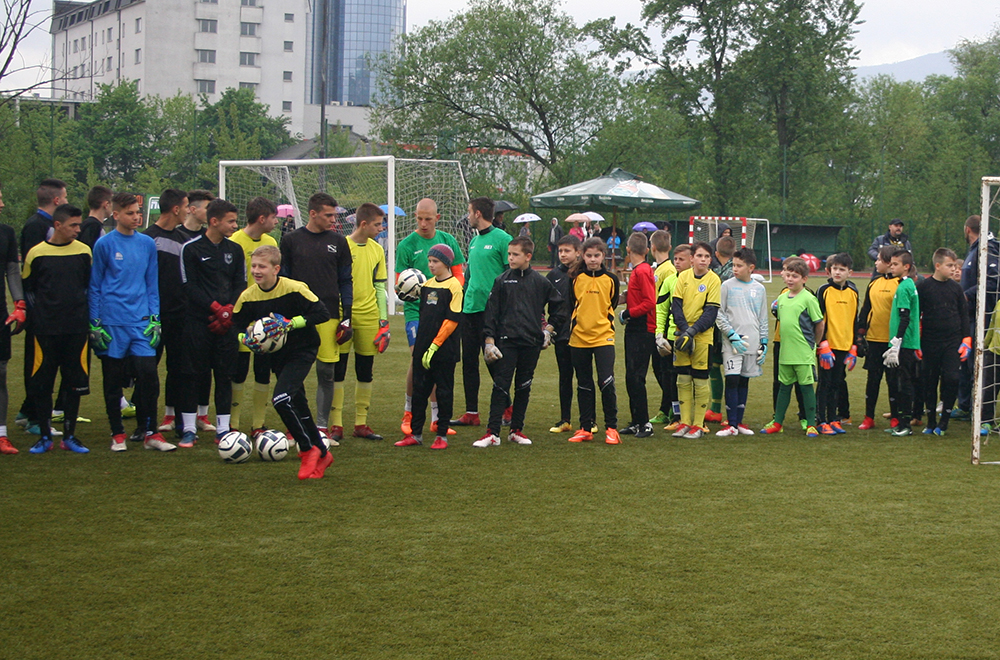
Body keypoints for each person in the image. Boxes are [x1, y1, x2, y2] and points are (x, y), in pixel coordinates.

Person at [233, 245, 333, 479]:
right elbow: (235, 326)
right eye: (254, 266)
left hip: (303, 349)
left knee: (281, 399)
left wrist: (289, 323)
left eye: (262, 266)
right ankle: (323, 453)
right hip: (277, 355)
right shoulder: (248, 296)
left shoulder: (295, 288)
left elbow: (322, 313)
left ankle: (307, 449)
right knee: (298, 403)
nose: (256, 271)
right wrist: (245, 339)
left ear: (276, 269)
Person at [90, 192, 174, 452]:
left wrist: (155, 318)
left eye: (138, 212)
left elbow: (151, 283)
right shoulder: (104, 244)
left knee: (149, 376)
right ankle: (117, 434)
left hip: (141, 323)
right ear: (116, 215)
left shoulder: (147, 243)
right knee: (113, 379)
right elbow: (95, 285)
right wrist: (94, 322)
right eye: (130, 213)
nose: (137, 217)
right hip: (112, 322)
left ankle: (150, 433)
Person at [279, 192, 353, 444]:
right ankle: (295, 427)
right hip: (298, 317)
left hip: (329, 314)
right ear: (312, 214)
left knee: (326, 372)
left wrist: (347, 316)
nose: (334, 220)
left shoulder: (339, 242)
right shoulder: (290, 240)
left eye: (334, 215)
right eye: (328, 215)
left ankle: (321, 428)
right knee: (295, 373)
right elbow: (284, 280)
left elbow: (345, 280)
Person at [475, 236, 561, 447]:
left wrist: (548, 331)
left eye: (515, 254)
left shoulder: (541, 282)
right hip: (506, 343)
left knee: (524, 387)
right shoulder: (502, 280)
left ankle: (516, 430)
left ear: (528, 256)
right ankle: (492, 433)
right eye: (509, 254)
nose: (510, 258)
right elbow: (491, 313)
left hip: (531, 344)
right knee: (500, 386)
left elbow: (560, 309)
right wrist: (489, 341)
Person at [22, 204, 93, 453]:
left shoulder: (84, 251)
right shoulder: (36, 253)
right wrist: (39, 316)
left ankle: (70, 437)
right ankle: (44, 436)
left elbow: (88, 286)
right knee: (43, 384)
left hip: (76, 329)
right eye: (73, 225)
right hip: (45, 330)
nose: (78, 229)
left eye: (79, 224)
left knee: (74, 383)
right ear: (57, 225)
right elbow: (28, 289)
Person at [177, 198, 246, 447]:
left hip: (227, 325)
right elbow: (189, 286)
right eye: (231, 221)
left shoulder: (235, 250)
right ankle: (188, 428)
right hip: (198, 322)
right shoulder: (191, 249)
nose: (235, 226)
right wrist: (215, 308)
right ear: (214, 221)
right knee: (192, 374)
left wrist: (228, 311)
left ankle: (223, 429)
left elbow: (240, 284)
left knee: (224, 375)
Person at [396, 198, 465, 437]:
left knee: (438, 361)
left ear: (437, 218)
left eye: (428, 219)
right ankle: (408, 413)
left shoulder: (448, 241)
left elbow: (459, 274)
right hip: (416, 312)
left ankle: (436, 419)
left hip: (442, 311)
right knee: (417, 359)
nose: (423, 223)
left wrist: (450, 293)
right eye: (419, 219)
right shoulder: (406, 245)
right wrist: (409, 289)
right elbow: (400, 283)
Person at [451, 197, 511, 427]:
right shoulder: (474, 241)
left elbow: (510, 274)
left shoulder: (503, 239)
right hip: (470, 309)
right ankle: (471, 413)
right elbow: (469, 276)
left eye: (469, 212)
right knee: (468, 362)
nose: (467, 216)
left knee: (493, 360)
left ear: (478, 213)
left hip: (491, 310)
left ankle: (507, 408)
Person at [331, 203, 388, 441]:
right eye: (377, 224)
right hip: (342, 315)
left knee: (365, 370)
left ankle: (361, 424)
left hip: (369, 316)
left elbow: (379, 287)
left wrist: (383, 321)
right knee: (338, 370)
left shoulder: (377, 250)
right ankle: (336, 424)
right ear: (363, 224)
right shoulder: (341, 246)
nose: (381, 228)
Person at [16, 178, 68, 435]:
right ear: (56, 200)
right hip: (41, 310)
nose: (67, 201)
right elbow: (31, 272)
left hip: (49, 309)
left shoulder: (46, 225)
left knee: (47, 361)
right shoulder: (36, 226)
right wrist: (34, 307)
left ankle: (27, 411)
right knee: (38, 363)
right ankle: (36, 419)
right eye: (65, 198)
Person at [229, 196, 279, 435]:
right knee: (238, 373)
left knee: (263, 372)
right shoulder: (235, 241)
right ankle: (233, 424)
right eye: (273, 217)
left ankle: (258, 425)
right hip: (242, 316)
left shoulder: (271, 242)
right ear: (261, 218)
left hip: (265, 319)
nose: (276, 222)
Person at [144, 189, 190, 436]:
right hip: (152, 317)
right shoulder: (147, 239)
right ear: (175, 209)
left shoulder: (184, 240)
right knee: (147, 371)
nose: (188, 211)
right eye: (186, 206)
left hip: (179, 316)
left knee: (179, 370)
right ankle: (145, 425)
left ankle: (181, 423)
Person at [762, 256, 824, 437]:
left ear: (804, 279)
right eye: (788, 275)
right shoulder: (781, 298)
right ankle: (777, 422)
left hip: (803, 352)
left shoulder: (809, 299)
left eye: (795, 276)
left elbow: (819, 324)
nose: (790, 279)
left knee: (806, 387)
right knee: (784, 387)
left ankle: (811, 424)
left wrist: (814, 344)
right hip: (786, 351)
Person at [567, 238, 620, 445]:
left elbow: (612, 303)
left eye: (596, 255)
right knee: (584, 384)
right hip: (579, 338)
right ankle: (585, 428)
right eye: (589, 256)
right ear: (582, 256)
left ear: (603, 256)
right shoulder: (575, 278)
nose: (592, 259)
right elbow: (572, 304)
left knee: (606, 382)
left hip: (603, 337)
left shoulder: (611, 279)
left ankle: (611, 428)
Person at [670, 242, 722, 439]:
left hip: (702, 336)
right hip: (682, 334)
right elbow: (676, 306)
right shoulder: (683, 277)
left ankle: (698, 425)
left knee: (700, 379)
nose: (703, 259)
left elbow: (711, 313)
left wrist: (692, 332)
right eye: (699, 256)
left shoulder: (713, 280)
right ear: (692, 258)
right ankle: (684, 422)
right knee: (683, 378)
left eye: (707, 256)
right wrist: (685, 331)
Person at [714, 247, 768, 436]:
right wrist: (731, 335)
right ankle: (731, 424)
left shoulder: (759, 289)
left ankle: (739, 422)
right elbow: (719, 314)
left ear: (751, 267)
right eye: (734, 265)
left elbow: (763, 318)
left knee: (744, 380)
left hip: (752, 343)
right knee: (732, 379)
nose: (735, 269)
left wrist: (764, 342)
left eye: (739, 266)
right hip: (732, 343)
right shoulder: (727, 286)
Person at [178, 188, 219, 432]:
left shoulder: (211, 240)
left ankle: (202, 415)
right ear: (192, 209)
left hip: (209, 314)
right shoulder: (180, 238)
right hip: (181, 311)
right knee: (181, 367)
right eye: (207, 207)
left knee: (206, 368)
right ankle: (172, 415)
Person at [918, 248, 970, 435]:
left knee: (952, 378)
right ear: (938, 266)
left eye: (955, 265)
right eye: (950, 265)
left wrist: (966, 339)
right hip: (930, 342)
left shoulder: (956, 288)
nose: (954, 269)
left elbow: (964, 315)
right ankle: (931, 421)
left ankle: (944, 420)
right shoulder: (924, 287)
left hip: (952, 342)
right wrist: (916, 341)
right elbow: (916, 315)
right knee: (929, 381)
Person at [955, 215, 1000, 424]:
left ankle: (979, 410)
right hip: (968, 316)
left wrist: (967, 295)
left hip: (982, 317)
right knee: (966, 361)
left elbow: (993, 282)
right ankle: (965, 405)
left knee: (978, 363)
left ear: (967, 230)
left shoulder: (988, 249)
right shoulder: (975, 250)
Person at [814, 253, 859, 435]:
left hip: (844, 346)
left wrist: (854, 346)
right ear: (829, 270)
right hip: (828, 347)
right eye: (835, 269)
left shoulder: (853, 292)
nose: (838, 272)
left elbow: (854, 320)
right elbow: (818, 319)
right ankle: (821, 420)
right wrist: (822, 343)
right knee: (824, 383)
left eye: (842, 269)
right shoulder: (823, 290)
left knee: (836, 383)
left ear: (850, 272)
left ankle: (833, 418)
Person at [857, 246, 901, 430]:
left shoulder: (901, 283)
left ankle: (896, 417)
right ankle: (869, 417)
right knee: (873, 379)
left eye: (879, 259)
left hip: (893, 342)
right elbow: (866, 309)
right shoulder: (873, 283)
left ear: (889, 263)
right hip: (874, 340)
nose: (875, 262)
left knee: (893, 381)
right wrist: (860, 335)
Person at [619, 232, 656, 438]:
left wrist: (628, 313)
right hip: (636, 327)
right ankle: (636, 421)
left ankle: (644, 423)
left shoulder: (642, 271)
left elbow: (649, 302)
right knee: (631, 376)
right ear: (647, 250)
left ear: (628, 249)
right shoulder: (639, 270)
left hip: (643, 328)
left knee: (636, 376)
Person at [882, 249, 921, 437]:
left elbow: (905, 317)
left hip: (904, 344)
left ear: (906, 267)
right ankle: (901, 423)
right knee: (898, 382)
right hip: (903, 343)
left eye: (895, 264)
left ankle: (906, 425)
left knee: (904, 383)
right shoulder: (906, 284)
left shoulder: (905, 287)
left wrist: (897, 341)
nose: (891, 267)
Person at [0, 184, 26, 455]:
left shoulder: (5, 233)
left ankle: (1, 434)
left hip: (0, 315)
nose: (2, 204)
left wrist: (20, 304)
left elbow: (12, 270)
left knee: (1, 373)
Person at [546, 234, 580, 433]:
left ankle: (589, 420)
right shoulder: (553, 276)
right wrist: (547, 327)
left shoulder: (584, 273)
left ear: (578, 252)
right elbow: (542, 302)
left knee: (584, 379)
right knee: (565, 377)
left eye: (567, 251)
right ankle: (565, 419)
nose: (563, 254)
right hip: (561, 335)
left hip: (582, 334)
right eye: (560, 251)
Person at [656, 243, 692, 431]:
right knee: (669, 377)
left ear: (691, 260)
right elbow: (661, 309)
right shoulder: (670, 281)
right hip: (671, 337)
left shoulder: (698, 281)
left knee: (691, 378)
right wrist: (659, 334)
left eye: (681, 259)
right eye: (675, 259)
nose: (677, 262)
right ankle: (675, 415)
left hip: (692, 337)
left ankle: (692, 417)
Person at [706, 234, 737, 424]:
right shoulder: (739, 271)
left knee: (716, 366)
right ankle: (731, 413)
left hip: (718, 327)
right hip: (737, 326)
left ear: (716, 254)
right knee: (732, 370)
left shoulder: (713, 273)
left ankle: (716, 409)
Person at [648, 230, 676, 426]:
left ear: (652, 248)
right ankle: (666, 408)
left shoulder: (668, 271)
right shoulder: (659, 269)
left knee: (665, 370)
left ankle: (669, 409)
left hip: (663, 326)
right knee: (660, 369)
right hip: (656, 324)